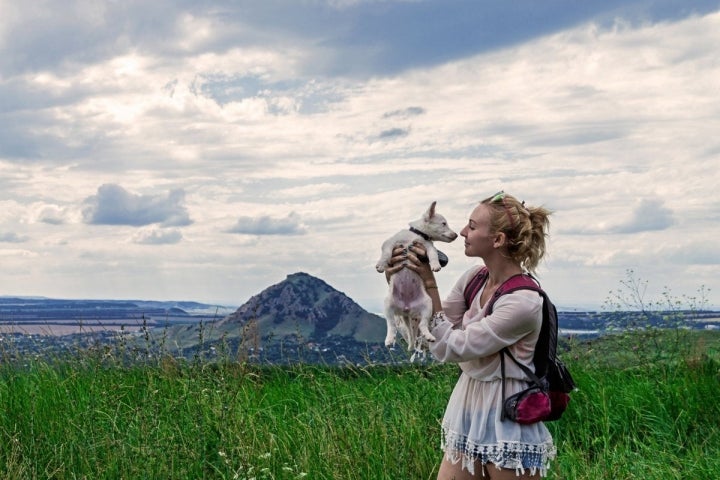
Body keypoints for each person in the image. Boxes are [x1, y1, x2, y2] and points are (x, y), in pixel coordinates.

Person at [386, 191, 555, 479]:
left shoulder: (523, 302)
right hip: (468, 407)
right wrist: (403, 283)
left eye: (472, 226)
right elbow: (428, 334)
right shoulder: (474, 279)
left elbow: (450, 347)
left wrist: (429, 281)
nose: (463, 232)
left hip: (509, 414)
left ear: (498, 239)